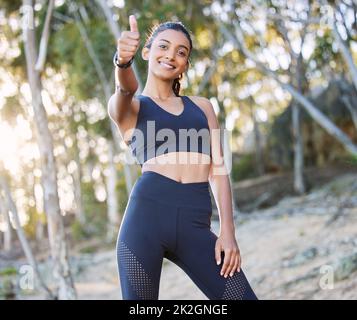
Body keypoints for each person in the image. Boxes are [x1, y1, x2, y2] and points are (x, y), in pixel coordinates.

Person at [108, 14, 258, 300]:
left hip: (195, 221)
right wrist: (122, 62)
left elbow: (218, 170)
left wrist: (228, 229)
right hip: (145, 220)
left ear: (186, 65)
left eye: (181, 52)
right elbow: (126, 88)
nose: (171, 56)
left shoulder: (202, 107)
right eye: (163, 47)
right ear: (147, 52)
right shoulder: (132, 108)